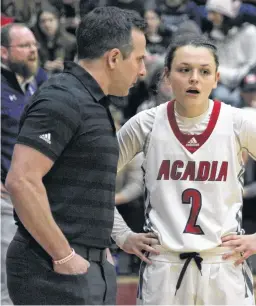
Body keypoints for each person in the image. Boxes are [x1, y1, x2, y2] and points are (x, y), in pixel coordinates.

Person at [116, 34, 256, 305]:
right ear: (168, 76)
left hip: (224, 264)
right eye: (184, 70)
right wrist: (122, 234)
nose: (195, 78)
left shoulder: (238, 122)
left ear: (216, 78)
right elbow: (93, 177)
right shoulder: (144, 125)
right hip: (164, 267)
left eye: (204, 71)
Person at [5, 7, 158, 305]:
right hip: (52, 270)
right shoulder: (62, 98)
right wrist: (64, 256)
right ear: (114, 58)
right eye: (138, 59)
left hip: (85, 266)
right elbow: (22, 180)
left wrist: (100, 252)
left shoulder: (92, 101)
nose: (142, 71)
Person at [1, 23, 47, 305]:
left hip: (35, 198)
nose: (33, 51)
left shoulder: (34, 84)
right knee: (6, 284)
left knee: (33, 279)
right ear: (3, 52)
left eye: (34, 45)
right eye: (25, 46)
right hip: (6, 201)